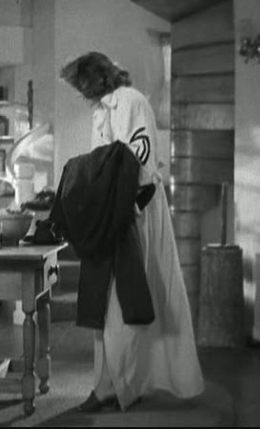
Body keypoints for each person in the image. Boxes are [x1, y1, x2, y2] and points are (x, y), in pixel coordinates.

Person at [56, 52, 204, 412]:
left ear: (93, 81)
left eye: (81, 86)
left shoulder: (132, 102)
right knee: (105, 306)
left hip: (133, 212)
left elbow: (138, 161)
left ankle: (126, 385)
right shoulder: (102, 110)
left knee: (125, 304)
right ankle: (106, 386)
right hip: (113, 212)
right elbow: (102, 162)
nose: (81, 94)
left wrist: (118, 204)